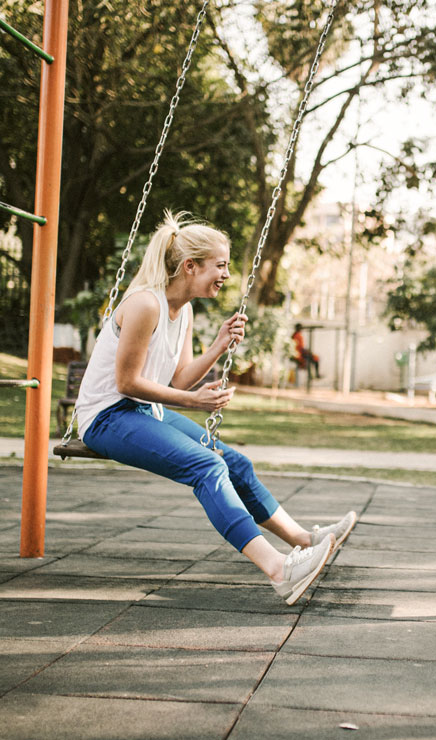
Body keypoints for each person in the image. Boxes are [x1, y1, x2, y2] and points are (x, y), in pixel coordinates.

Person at [75, 211, 356, 605]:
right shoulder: (144, 305)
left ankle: (305, 540)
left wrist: (219, 344)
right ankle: (279, 570)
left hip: (142, 413)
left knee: (234, 462)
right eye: (220, 265)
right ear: (190, 266)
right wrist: (193, 402)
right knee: (206, 466)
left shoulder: (184, 309)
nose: (225, 274)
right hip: (107, 417)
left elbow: (180, 379)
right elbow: (126, 383)